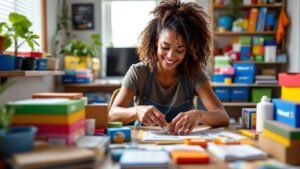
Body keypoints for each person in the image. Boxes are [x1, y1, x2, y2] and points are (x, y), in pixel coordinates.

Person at [109, 0, 229, 135]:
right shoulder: (139, 72)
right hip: (144, 143)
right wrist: (136, 111)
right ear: (156, 42)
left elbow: (223, 116)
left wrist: (199, 115)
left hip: (182, 143)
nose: (171, 56)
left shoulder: (194, 74)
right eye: (165, 47)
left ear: (188, 50)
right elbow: (111, 114)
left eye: (180, 50)